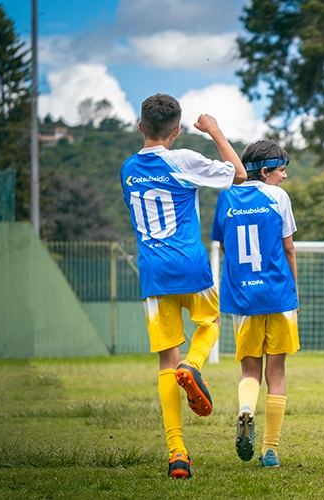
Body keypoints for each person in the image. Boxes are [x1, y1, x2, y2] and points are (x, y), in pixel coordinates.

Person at [121, 93, 246, 478]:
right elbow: (238, 174)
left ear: (141, 126)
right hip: (191, 266)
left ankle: (177, 453)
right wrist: (214, 131)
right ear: (177, 130)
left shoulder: (127, 169)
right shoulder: (183, 161)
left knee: (164, 361)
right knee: (210, 325)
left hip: (154, 273)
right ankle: (193, 365)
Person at [211, 139, 300, 468]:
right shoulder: (278, 197)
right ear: (264, 172)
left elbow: (223, 246)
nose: (285, 177)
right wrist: (295, 289)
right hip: (278, 295)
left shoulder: (226, 197)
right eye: (281, 170)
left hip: (243, 299)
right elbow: (289, 248)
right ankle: (271, 449)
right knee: (276, 373)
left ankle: (246, 409)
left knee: (250, 370)